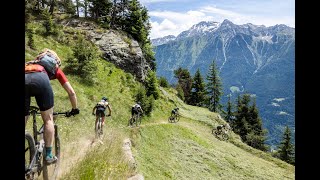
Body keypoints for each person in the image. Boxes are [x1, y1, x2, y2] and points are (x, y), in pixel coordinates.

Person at [25, 48, 80, 164]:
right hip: (41, 80)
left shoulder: (29, 64)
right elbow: (71, 92)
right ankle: (49, 155)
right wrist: (74, 109)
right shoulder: (56, 70)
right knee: (48, 119)